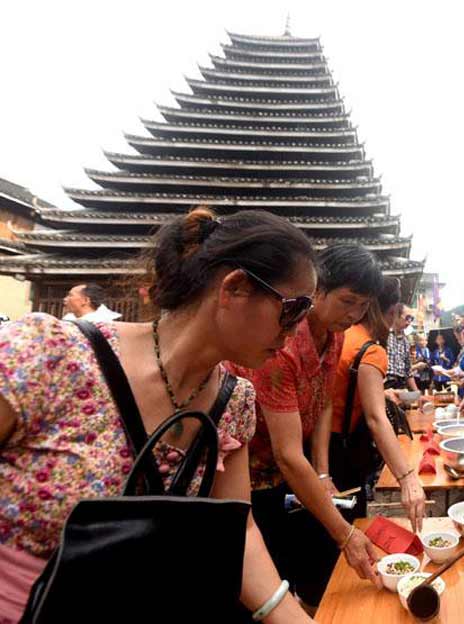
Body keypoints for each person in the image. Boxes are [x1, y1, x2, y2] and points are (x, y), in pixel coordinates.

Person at [0, 207, 317, 623]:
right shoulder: (48, 354)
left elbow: (238, 532)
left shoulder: (233, 401)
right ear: (235, 288)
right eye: (292, 309)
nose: (294, 332)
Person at [225, 243, 384, 608]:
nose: (356, 313)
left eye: (364, 305)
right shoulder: (283, 343)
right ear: (318, 289)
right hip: (252, 475)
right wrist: (346, 536)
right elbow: (287, 454)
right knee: (267, 580)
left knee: (313, 564)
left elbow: (325, 401)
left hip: (293, 472)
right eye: (348, 301)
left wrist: (324, 473)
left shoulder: (336, 334)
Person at [322, 275, 426, 522]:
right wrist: (407, 478)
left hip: (319, 447)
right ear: (387, 312)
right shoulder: (371, 350)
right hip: (342, 451)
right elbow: (376, 418)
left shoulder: (341, 336)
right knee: (349, 525)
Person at [385, 309, 417, 391]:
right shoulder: (384, 335)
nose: (409, 322)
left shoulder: (405, 341)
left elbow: (408, 371)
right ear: (396, 316)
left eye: (411, 319)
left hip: (401, 384)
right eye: (407, 317)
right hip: (385, 383)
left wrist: (417, 393)